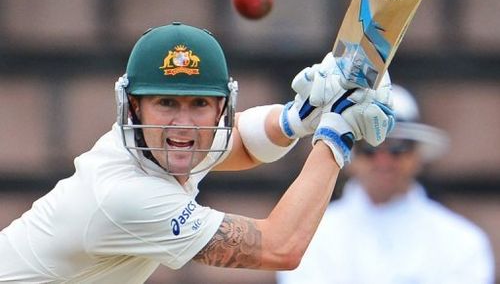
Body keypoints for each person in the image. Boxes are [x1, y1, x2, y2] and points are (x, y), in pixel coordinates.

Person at [0, 22, 394, 283]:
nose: (184, 125)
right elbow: (280, 247)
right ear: (134, 107)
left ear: (223, 107)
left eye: (200, 104)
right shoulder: (125, 196)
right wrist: (336, 134)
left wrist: (298, 117)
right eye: (167, 104)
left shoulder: (154, 143)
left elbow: (241, 144)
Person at [276, 84, 495, 284]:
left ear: (417, 156)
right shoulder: (311, 239)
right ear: (349, 155)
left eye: (398, 147)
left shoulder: (462, 241)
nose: (384, 160)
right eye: (369, 147)